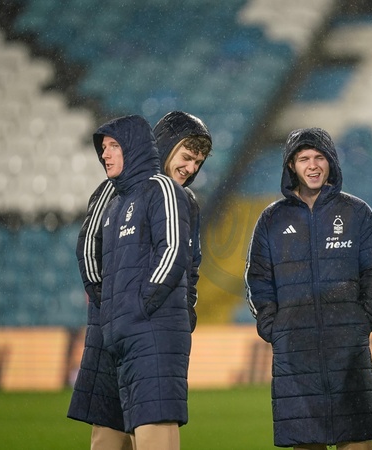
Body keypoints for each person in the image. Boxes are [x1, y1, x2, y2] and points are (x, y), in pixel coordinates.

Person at [245, 127, 372, 450]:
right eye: (303, 159)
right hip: (294, 357)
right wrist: (274, 327)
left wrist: (364, 319)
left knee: (357, 442)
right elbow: (257, 278)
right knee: (305, 442)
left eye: (319, 157)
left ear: (331, 162)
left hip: (348, 355)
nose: (312, 166)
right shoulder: (271, 219)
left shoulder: (357, 212)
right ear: (291, 166)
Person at [93, 115, 192, 450]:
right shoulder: (115, 204)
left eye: (113, 146)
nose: (105, 154)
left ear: (133, 148)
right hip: (126, 338)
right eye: (103, 148)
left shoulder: (162, 188)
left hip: (152, 335)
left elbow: (174, 250)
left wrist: (138, 307)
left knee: (154, 435)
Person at [67, 178, 131, 450]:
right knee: (112, 426)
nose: (192, 168)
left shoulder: (175, 196)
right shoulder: (114, 188)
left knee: (134, 425)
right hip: (115, 329)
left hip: (137, 329)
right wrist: (107, 301)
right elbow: (87, 246)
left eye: (197, 161)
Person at [153, 110, 214, 333]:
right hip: (129, 324)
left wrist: (185, 310)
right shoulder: (125, 193)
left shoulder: (188, 203)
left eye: (198, 162)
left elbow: (191, 266)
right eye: (187, 158)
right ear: (164, 148)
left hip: (170, 327)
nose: (191, 169)